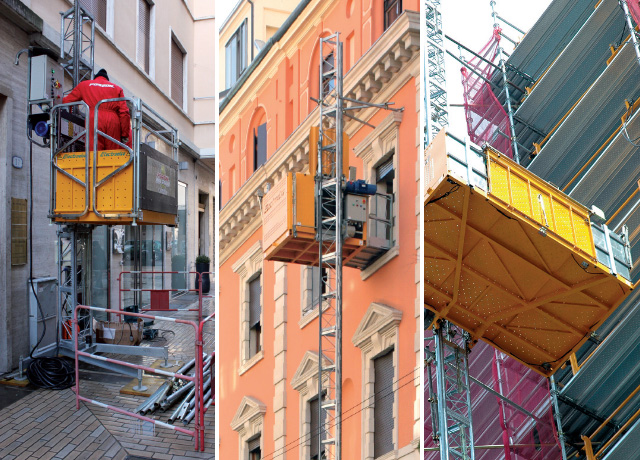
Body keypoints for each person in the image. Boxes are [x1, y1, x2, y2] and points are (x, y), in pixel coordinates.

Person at [62, 69, 132, 151]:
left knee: (93, 154)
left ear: (95, 78)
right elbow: (124, 113)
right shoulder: (117, 88)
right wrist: (125, 134)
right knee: (112, 155)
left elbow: (66, 102)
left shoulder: (84, 85)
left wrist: (69, 115)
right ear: (107, 79)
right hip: (113, 121)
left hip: (94, 118)